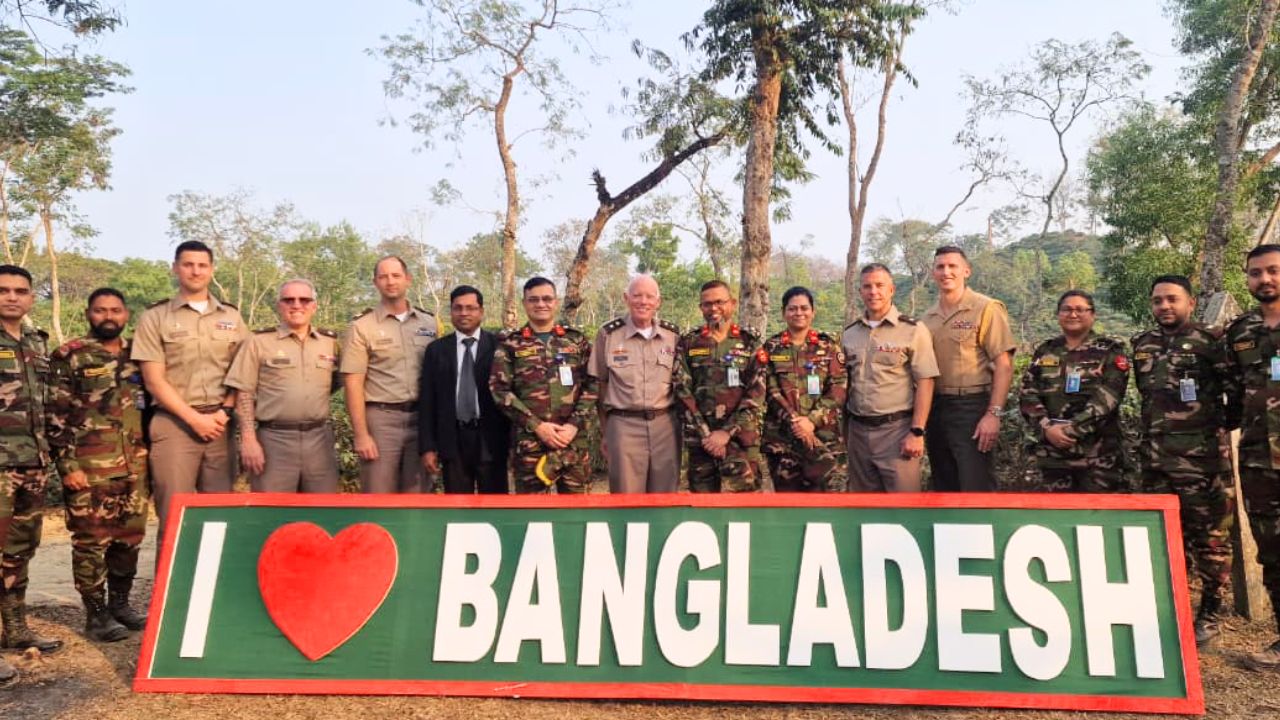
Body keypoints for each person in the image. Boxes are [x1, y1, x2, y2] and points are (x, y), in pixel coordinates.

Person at [1131, 274, 1234, 647]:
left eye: (1172, 299)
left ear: (1190, 302)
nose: (1164, 306)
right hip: (1156, 460)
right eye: (1158, 300)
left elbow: (1233, 394)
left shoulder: (1212, 341)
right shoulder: (1143, 344)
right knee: (1163, 538)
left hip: (1202, 461)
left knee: (1211, 539)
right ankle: (1170, 612)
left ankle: (1210, 614)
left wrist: (1215, 435)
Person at [47, 288, 150, 643]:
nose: (108, 316)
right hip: (90, 467)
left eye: (116, 310)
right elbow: (55, 415)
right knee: (90, 542)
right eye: (100, 310)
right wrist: (67, 466)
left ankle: (120, 605)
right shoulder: (70, 355)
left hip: (135, 465)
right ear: (88, 313)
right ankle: (96, 615)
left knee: (130, 538)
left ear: (126, 314)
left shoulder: (140, 354)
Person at [130, 241, 247, 550]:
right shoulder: (155, 317)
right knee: (174, 516)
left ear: (212, 270)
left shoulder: (232, 317)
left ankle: (219, 581)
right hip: (175, 424)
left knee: (220, 517)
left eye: (202, 265)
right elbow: (154, 380)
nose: (195, 271)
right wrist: (194, 419)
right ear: (175, 268)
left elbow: (242, 373)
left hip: (221, 425)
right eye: (188, 264)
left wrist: (224, 412)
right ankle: (171, 582)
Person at [0, 265, 60, 686]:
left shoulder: (38, 342)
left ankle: (16, 628)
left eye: (20, 291)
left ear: (31, 297)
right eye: (3, 290)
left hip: (33, 463)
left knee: (20, 549)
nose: (11, 297)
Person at [224, 279, 341, 493]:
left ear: (314, 306)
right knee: (271, 509)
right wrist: (249, 440)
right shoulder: (259, 341)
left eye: (304, 300)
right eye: (289, 300)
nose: (296, 305)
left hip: (319, 440)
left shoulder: (330, 342)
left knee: (322, 508)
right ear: (279, 305)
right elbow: (244, 392)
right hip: (274, 440)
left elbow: (335, 384)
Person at [1223, 243, 1280, 670]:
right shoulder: (1240, 331)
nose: (1265, 279)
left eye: (1273, 270)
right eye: (1256, 273)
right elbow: (1228, 390)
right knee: (1272, 551)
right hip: (1260, 458)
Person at [921, 246, 1016, 492]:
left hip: (971, 408)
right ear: (933, 273)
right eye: (940, 267)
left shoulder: (986, 308)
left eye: (952, 266)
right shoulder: (926, 318)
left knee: (976, 486)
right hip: (935, 408)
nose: (946, 272)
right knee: (944, 486)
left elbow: (1004, 365)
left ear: (966, 271)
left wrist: (993, 414)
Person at [341, 256, 437, 493]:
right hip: (381, 421)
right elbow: (353, 384)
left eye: (396, 275)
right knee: (378, 495)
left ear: (408, 279)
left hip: (421, 420)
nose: (390, 281)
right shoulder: (362, 327)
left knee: (418, 496)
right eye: (383, 277)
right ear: (375, 282)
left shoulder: (429, 323)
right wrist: (361, 435)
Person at [490, 278, 595, 494]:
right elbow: (499, 389)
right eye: (533, 299)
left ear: (556, 302)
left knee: (578, 509)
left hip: (572, 441)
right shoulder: (510, 343)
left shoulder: (576, 341)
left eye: (547, 299)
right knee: (533, 510)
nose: (541, 304)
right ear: (524, 303)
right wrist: (537, 426)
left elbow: (593, 384)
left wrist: (574, 425)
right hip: (530, 443)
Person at [1018, 290, 1129, 493]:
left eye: (1080, 309)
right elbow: (1028, 393)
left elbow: (1109, 397)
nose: (1073, 314)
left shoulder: (1110, 350)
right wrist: (1047, 427)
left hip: (1098, 455)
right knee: (1056, 511)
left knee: (1098, 511)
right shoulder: (1046, 350)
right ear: (1058, 314)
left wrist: (1072, 429)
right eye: (1066, 309)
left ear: (1092, 314)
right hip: (1052, 455)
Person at [841, 264, 939, 493]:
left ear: (892, 289)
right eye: (867, 286)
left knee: (904, 505)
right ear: (860, 291)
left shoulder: (913, 330)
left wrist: (917, 432)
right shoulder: (849, 334)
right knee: (863, 506)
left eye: (879, 285)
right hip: (858, 432)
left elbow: (926, 381)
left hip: (896, 431)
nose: (873, 292)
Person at [589, 274, 681, 493]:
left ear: (658, 302)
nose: (643, 301)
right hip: (623, 425)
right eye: (637, 295)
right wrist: (605, 430)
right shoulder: (608, 335)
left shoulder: (672, 336)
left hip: (665, 426)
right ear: (626, 298)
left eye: (649, 296)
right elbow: (600, 384)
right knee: (626, 496)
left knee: (665, 495)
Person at [673, 280, 764, 493]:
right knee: (703, 504)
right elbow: (682, 390)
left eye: (719, 302)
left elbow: (756, 392)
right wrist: (706, 434)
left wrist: (726, 432)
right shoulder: (689, 342)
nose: (713, 308)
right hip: (701, 441)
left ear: (732, 303)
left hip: (740, 438)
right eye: (707, 304)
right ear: (701, 308)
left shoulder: (749, 342)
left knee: (745, 502)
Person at [420, 285, 510, 494]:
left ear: (481, 311)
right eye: (458, 308)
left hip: (491, 439)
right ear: (451, 311)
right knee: (457, 505)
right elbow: (428, 401)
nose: (464, 313)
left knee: (495, 503)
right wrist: (427, 447)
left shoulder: (499, 346)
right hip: (452, 439)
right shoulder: (436, 350)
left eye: (470, 308)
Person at [757, 286, 848, 492]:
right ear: (783, 313)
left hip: (823, 439)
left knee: (828, 499)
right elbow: (769, 389)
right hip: (783, 441)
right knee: (789, 502)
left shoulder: (828, 347)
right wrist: (796, 422)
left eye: (804, 308)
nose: (799, 313)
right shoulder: (771, 347)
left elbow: (838, 388)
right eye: (792, 308)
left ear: (813, 312)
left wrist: (811, 421)